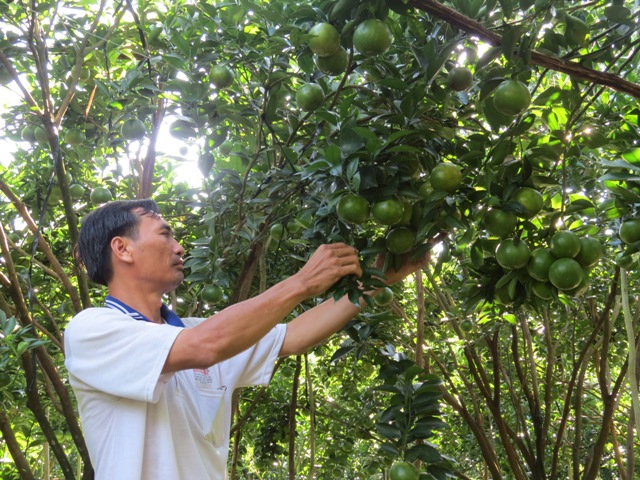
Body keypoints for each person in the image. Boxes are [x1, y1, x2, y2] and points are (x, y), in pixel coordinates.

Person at [64, 199, 428, 480]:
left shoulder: (192, 329)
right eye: (164, 233)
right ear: (123, 249)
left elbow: (293, 337)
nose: (179, 247)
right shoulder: (93, 330)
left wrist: (373, 281)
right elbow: (206, 346)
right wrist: (301, 283)